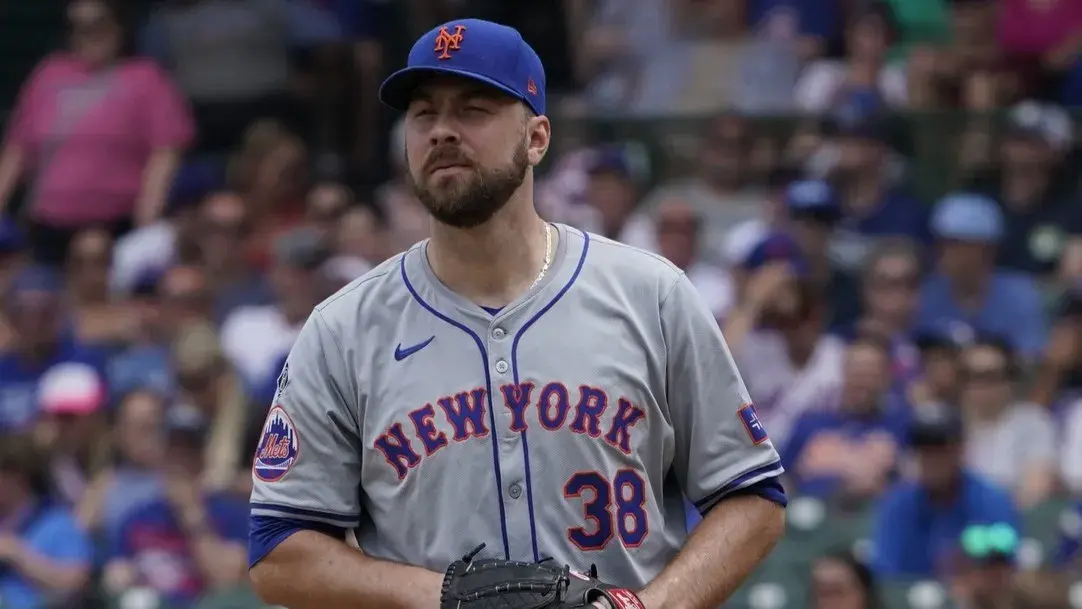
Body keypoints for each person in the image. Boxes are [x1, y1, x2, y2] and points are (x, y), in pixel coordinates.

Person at [247, 18, 786, 609]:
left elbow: (751, 496)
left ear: (537, 137)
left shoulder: (650, 294)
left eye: (474, 109)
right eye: (424, 114)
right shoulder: (341, 329)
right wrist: (445, 595)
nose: (442, 132)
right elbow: (278, 555)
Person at [871, 403, 1019, 578]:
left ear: (960, 450)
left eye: (940, 448)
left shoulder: (992, 502)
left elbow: (1003, 575)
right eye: (924, 449)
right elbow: (886, 576)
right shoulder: (897, 505)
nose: (931, 458)